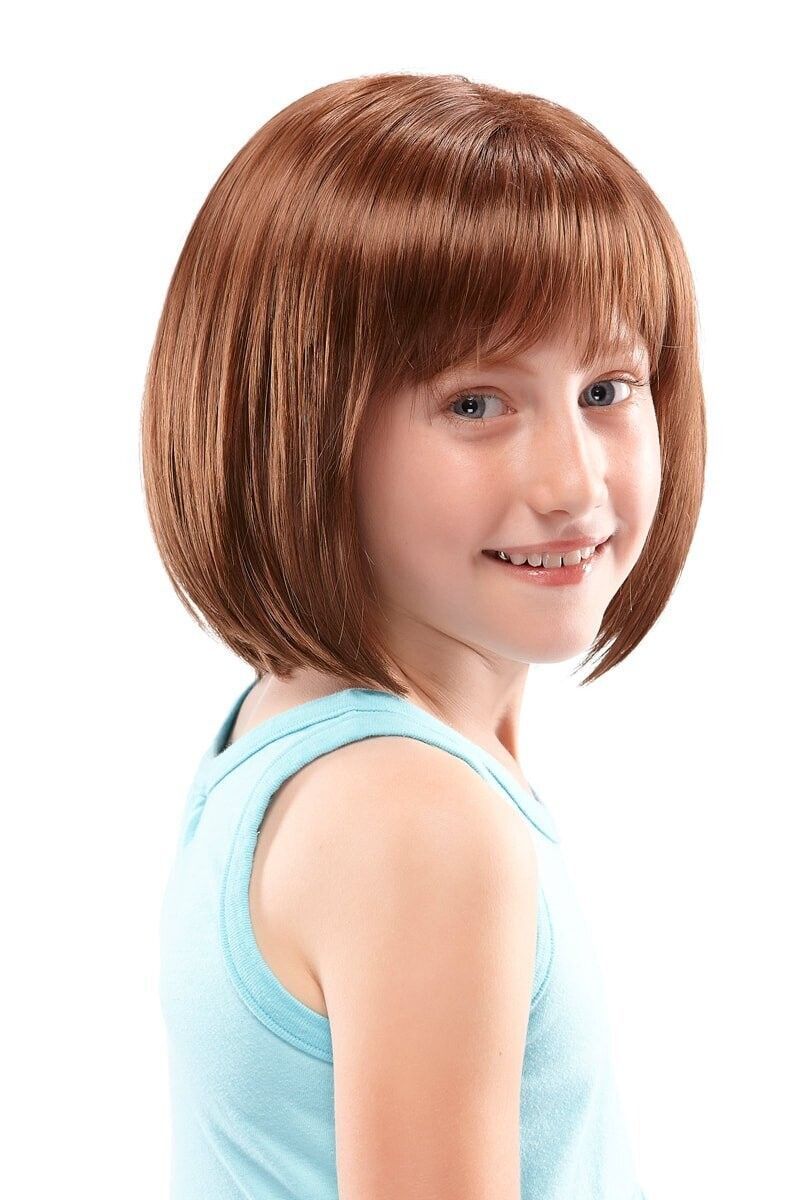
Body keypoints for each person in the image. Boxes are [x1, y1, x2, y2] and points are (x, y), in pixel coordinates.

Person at [142, 70, 705, 1200]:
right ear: (295, 424)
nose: (571, 484)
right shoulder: (415, 820)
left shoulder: (296, 723)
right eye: (473, 404)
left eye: (605, 388)